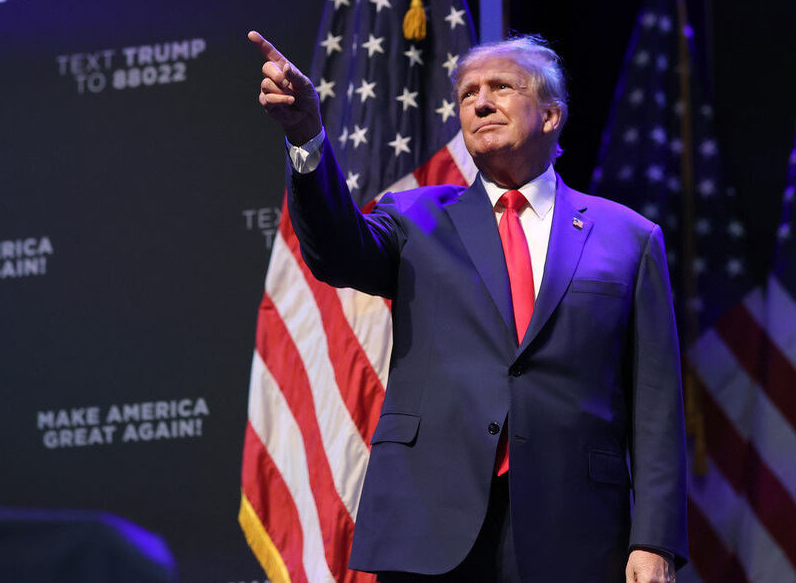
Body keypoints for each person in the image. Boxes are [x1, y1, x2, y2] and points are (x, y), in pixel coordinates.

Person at [250, 30, 687, 583]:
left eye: (501, 87)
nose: (480, 102)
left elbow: (656, 407)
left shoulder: (628, 237)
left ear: (551, 115)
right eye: (467, 94)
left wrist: (654, 540)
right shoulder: (415, 218)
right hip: (430, 521)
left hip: (575, 530)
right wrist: (306, 135)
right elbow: (336, 252)